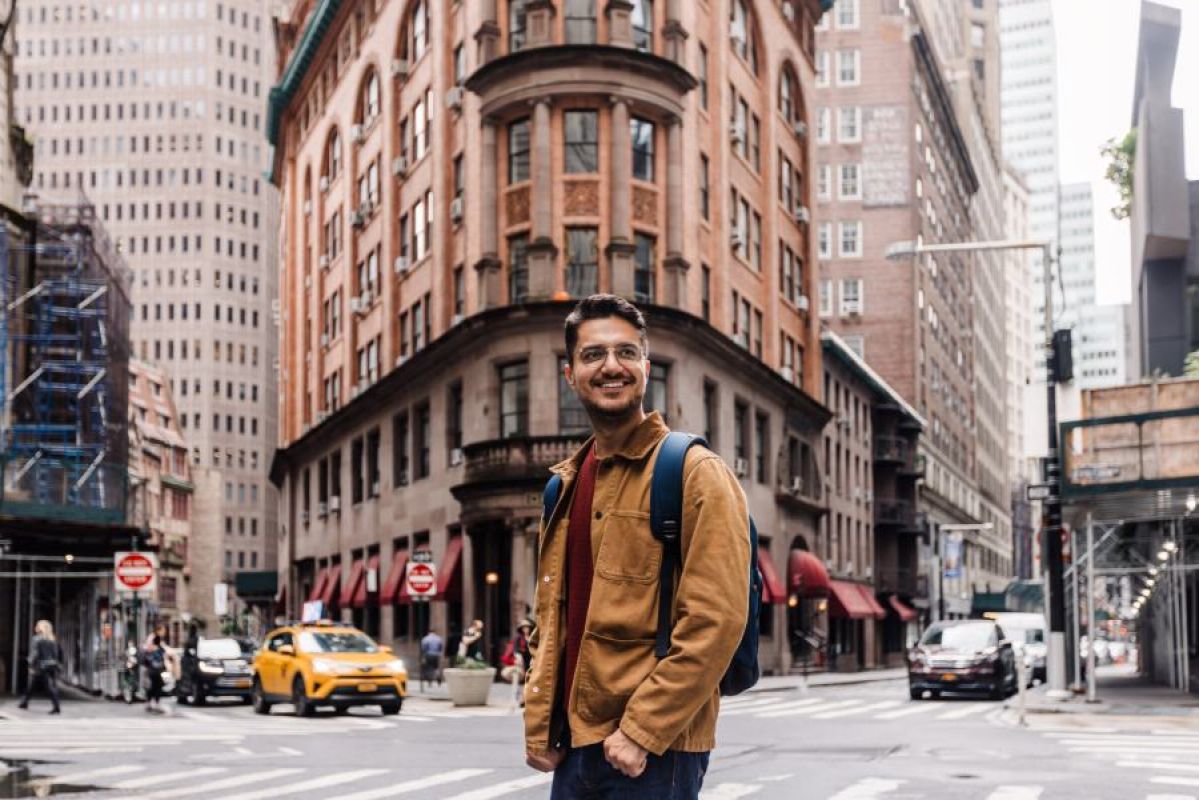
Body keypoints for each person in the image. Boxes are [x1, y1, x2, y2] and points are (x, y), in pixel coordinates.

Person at [523, 295, 750, 799]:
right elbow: (553, 621)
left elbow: (716, 621)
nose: (611, 367)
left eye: (626, 353)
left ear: (646, 368)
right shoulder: (565, 485)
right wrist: (540, 722)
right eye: (593, 355)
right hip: (576, 749)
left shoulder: (695, 473)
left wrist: (641, 731)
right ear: (570, 374)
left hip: (652, 753)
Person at [19, 620, 63, 714]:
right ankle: (24, 702)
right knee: (33, 685)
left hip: (41, 666)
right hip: (52, 665)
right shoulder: (52, 639)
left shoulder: (36, 639)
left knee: (48, 687)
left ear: (40, 628)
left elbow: (35, 654)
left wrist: (30, 664)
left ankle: (56, 707)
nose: (35, 627)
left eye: (37, 626)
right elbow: (56, 654)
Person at [142, 625, 170, 714]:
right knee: (157, 686)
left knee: (153, 686)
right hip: (156, 670)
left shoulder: (154, 643)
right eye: (163, 630)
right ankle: (155, 704)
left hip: (151, 669)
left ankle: (149, 703)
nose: (164, 632)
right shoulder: (154, 640)